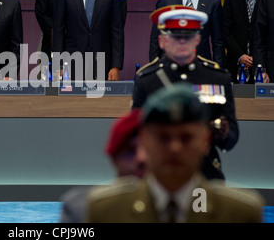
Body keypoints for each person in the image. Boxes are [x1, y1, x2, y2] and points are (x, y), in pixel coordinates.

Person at [86, 83, 265, 223]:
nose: (174, 148)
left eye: (186, 138)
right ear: (145, 141)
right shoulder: (106, 211)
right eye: (163, 138)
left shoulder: (240, 213)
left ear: (205, 141)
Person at [133, 5, 238, 180]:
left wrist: (222, 134)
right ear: (162, 41)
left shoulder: (217, 78)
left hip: (203, 173)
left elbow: (232, 136)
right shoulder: (147, 80)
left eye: (188, 37)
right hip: (158, 174)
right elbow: (136, 132)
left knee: (203, 208)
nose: (182, 42)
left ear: (197, 39)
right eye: (175, 37)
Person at [60, 108, 146, 223]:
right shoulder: (80, 208)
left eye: (148, 150)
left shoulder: (174, 207)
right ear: (114, 158)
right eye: (129, 151)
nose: (140, 158)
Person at [224, 0, 270, 83]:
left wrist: (262, 61)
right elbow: (226, 31)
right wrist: (240, 55)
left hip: (266, 66)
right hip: (237, 66)